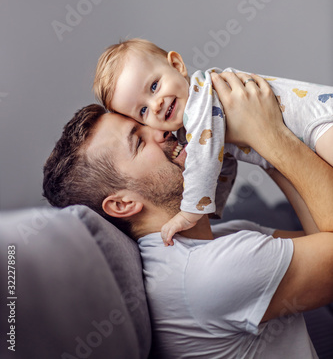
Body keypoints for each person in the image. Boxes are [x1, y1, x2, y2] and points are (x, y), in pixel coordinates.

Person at [43, 71, 333, 359]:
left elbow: (322, 235)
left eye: (144, 122)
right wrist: (269, 136)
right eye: (139, 142)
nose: (162, 130)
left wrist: (259, 146)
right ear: (122, 204)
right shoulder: (209, 273)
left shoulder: (211, 242)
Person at [93, 38, 333, 244]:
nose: (155, 105)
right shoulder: (194, 126)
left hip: (319, 119)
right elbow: (222, 161)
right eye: (143, 111)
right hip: (299, 141)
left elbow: (205, 161)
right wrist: (215, 204)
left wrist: (190, 213)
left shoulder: (200, 103)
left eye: (154, 86)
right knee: (319, 234)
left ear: (176, 65)